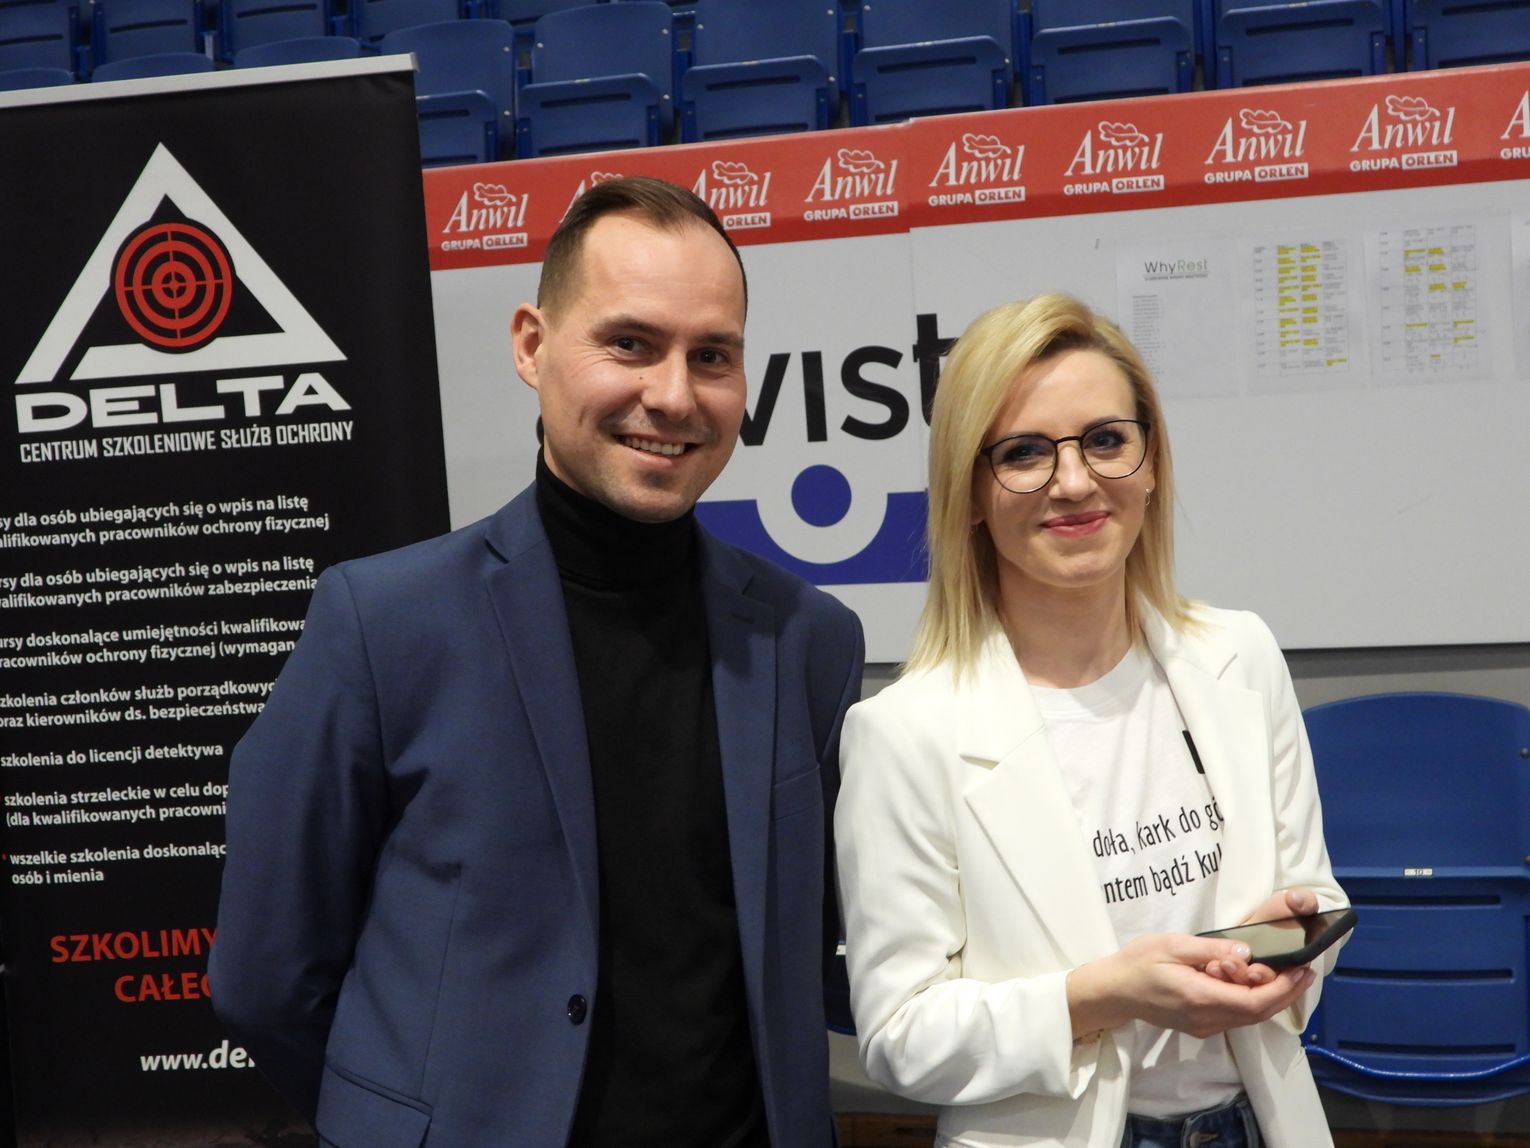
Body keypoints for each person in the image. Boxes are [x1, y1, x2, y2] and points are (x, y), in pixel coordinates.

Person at [210, 177, 865, 1148]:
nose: (673, 395)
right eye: (630, 343)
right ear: (532, 344)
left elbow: (828, 956)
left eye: (711, 355)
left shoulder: (808, 639)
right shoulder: (383, 623)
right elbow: (265, 978)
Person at [834, 294, 1346, 1147]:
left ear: (1151, 466)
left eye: (1106, 440)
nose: (1074, 482)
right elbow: (900, 1036)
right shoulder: (904, 732)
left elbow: (1318, 898)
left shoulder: (1240, 657)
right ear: (969, 494)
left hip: (1259, 1122)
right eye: (1024, 453)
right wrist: (1100, 996)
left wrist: (1285, 951)